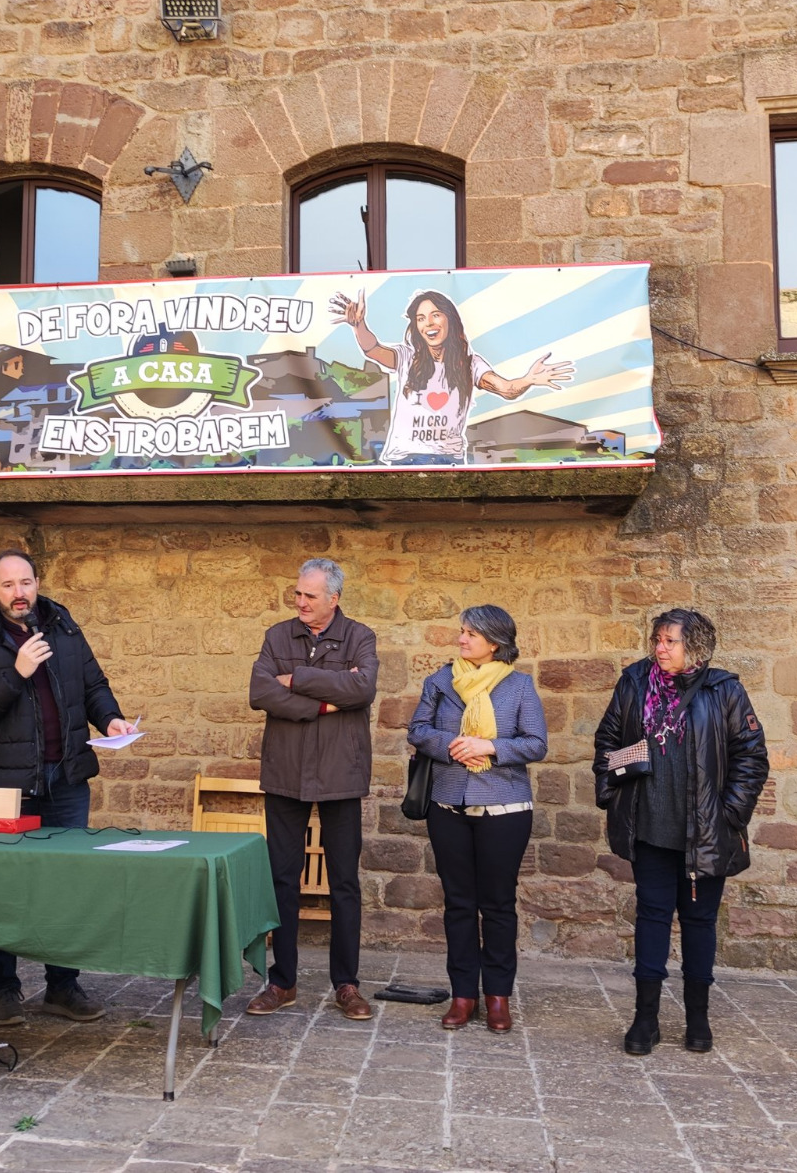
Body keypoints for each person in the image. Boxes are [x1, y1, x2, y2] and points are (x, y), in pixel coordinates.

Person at [0, 549, 135, 1026]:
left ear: (37, 583)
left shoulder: (64, 629)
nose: (19, 593)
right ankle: (5, 990)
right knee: (4, 886)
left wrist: (111, 718)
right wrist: (17, 673)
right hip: (6, 785)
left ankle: (62, 986)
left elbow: (93, 684)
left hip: (67, 776)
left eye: (26, 582)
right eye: (8, 585)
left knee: (65, 882)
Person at [592, 608, 769, 1056]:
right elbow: (607, 742)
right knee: (651, 918)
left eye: (670, 641)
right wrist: (613, 790)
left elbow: (751, 756)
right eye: (657, 639)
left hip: (707, 832)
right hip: (650, 827)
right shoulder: (634, 681)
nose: (659, 648)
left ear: (696, 648)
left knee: (699, 923)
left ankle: (698, 1019)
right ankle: (645, 1018)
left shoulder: (723, 689)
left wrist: (729, 813)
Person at [246, 557, 379, 1021]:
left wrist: (300, 680)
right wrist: (324, 704)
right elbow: (259, 692)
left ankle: (347, 983)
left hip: (342, 771)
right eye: (297, 594)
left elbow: (362, 690)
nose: (300, 602)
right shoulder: (277, 636)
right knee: (283, 878)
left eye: (310, 596)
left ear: (334, 598)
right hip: (286, 770)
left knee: (344, 882)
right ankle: (282, 982)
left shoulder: (360, 637)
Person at [408, 606, 547, 1033]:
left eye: (471, 634)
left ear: (495, 643)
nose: (462, 640)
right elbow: (418, 730)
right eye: (462, 632)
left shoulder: (520, 686)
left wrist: (489, 747)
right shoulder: (440, 681)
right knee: (459, 904)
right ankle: (463, 995)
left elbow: (536, 743)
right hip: (448, 805)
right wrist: (454, 743)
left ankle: (498, 997)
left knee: (499, 905)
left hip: (504, 809)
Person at [329, 287, 574, 465]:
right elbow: (373, 350)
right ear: (416, 327)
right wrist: (358, 326)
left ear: (449, 319)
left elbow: (506, 389)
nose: (429, 323)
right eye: (421, 318)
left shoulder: (469, 364)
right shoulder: (407, 357)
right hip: (406, 460)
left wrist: (528, 380)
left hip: (449, 461)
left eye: (436, 315)